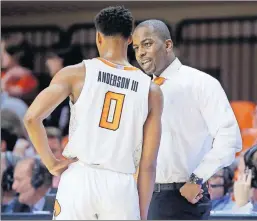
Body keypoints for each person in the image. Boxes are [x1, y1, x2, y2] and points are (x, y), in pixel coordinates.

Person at [23, 6, 163, 220]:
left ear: (98, 37)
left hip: (80, 176)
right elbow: (148, 164)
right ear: (129, 40)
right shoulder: (151, 89)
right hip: (120, 185)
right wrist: (141, 214)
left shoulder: (75, 74)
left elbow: (32, 118)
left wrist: (51, 163)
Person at [132, 19, 242, 219]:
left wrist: (197, 178)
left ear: (168, 45)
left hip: (182, 197)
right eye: (136, 47)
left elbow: (230, 138)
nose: (140, 53)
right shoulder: (139, 90)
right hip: (140, 196)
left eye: (147, 44)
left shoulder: (202, 83)